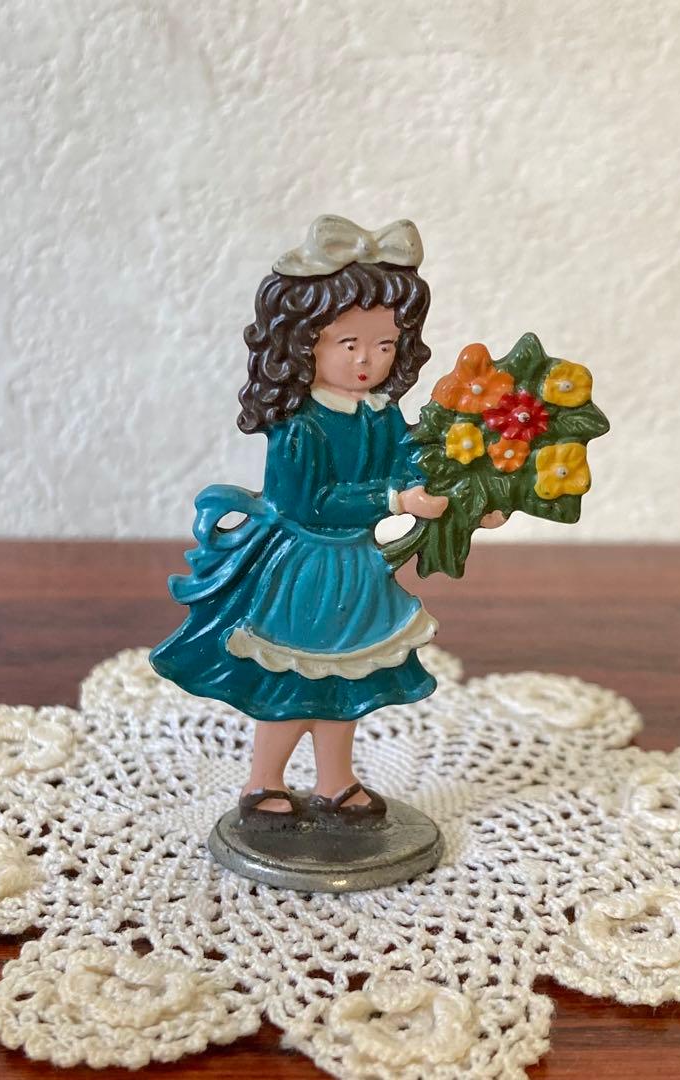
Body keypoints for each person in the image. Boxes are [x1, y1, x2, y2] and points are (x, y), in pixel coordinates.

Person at [150, 216, 504, 826]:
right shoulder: (300, 427)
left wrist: (469, 496)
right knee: (295, 683)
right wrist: (396, 501)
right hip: (308, 566)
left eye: (385, 345)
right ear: (304, 344)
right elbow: (308, 503)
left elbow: (412, 461)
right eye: (349, 344)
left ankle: (336, 781)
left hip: (358, 567)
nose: (368, 360)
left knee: (344, 682)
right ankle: (264, 781)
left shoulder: (380, 413)